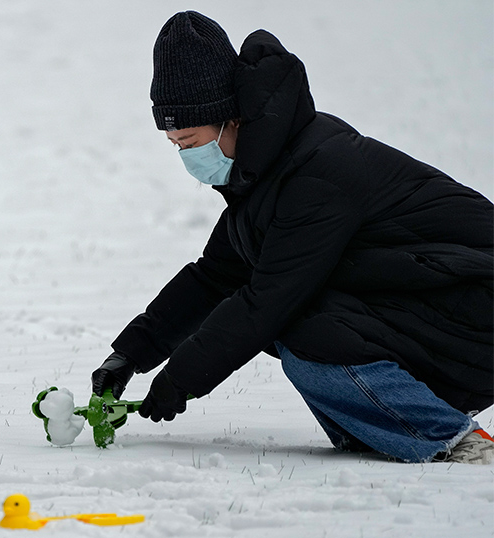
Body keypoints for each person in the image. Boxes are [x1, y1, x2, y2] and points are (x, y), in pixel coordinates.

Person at [91, 11, 494, 464]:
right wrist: (129, 355)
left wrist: (179, 381)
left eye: (189, 140)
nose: (186, 156)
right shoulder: (264, 175)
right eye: (175, 145)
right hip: (432, 306)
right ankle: (383, 430)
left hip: (475, 305)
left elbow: (268, 300)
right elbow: (216, 276)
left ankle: (452, 440)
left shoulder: (318, 173)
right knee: (292, 321)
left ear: (230, 120)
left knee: (299, 325)